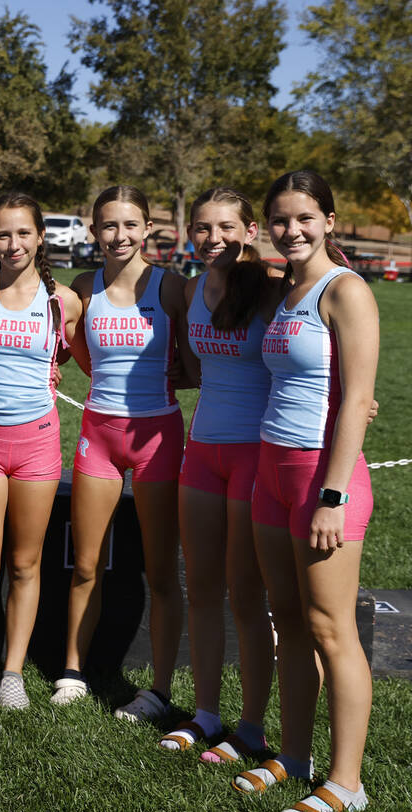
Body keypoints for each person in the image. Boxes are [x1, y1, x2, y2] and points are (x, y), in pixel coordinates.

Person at [232, 171, 378, 812]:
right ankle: (293, 757)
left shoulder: (346, 291)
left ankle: (347, 781)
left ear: (330, 219)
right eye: (281, 220)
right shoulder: (281, 288)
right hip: (271, 473)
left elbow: (356, 402)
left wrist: (334, 495)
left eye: (305, 218)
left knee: (330, 629)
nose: (293, 230)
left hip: (325, 481)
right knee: (287, 622)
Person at [53, 185, 188, 722]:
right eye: (108, 226)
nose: (119, 236)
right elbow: (79, 350)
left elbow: (200, 354)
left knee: (159, 572)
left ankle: (156, 689)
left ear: (147, 229)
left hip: (159, 437)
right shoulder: (84, 286)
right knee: (86, 564)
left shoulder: (171, 287)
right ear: (93, 231)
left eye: (130, 225)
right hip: (99, 436)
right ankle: (71, 670)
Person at [159, 187, 278, 760]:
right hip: (202, 452)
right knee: (201, 588)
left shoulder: (274, 292)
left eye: (227, 227)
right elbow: (185, 365)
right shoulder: (188, 289)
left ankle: (250, 727)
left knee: (245, 595)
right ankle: (206, 713)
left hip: (256, 453)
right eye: (202, 229)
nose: (214, 239)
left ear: (251, 230)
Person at [0, 193, 81, 709]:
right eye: (3, 235)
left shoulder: (63, 300)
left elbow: (81, 357)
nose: (13, 244)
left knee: (26, 564)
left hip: (38, 444)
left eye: (23, 233)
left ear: (39, 237)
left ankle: (12, 674)